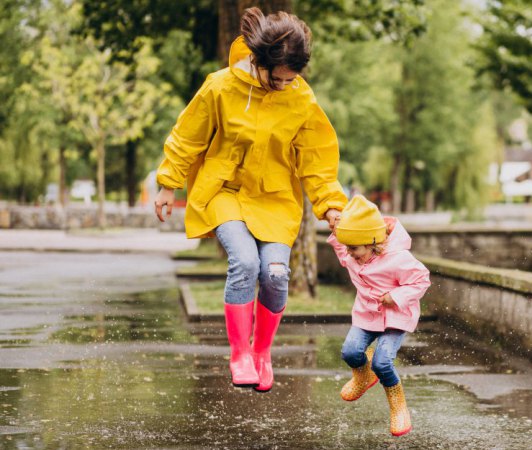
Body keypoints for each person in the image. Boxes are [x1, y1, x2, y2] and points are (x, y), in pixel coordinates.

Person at [154, 7, 347, 392]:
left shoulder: (300, 98)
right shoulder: (220, 86)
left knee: (275, 274)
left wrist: (331, 205)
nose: (284, 86)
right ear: (258, 62)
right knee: (244, 263)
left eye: (292, 79)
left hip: (275, 198)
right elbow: (188, 135)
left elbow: (316, 157)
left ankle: (262, 353)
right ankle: (240, 354)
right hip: (225, 192)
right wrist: (168, 182)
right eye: (278, 79)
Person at [327, 195, 431, 436]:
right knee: (350, 352)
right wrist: (335, 221)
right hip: (367, 314)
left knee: (382, 361)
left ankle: (398, 407)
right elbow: (340, 242)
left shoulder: (398, 258)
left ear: (371, 242)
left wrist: (396, 296)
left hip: (395, 316)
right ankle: (363, 376)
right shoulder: (353, 250)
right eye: (348, 247)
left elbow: (422, 280)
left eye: (353, 248)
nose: (348, 253)